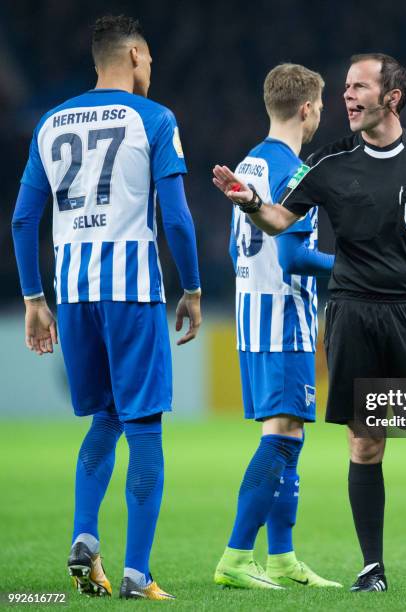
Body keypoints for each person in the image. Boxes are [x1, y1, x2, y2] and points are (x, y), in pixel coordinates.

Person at [212, 53, 406, 594]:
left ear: (391, 97)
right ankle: (371, 569)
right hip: (353, 314)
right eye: (346, 88)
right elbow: (281, 219)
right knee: (365, 442)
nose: (348, 97)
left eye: (359, 87)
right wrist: (252, 202)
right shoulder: (329, 162)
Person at [12, 15, 201, 601]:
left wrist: (33, 299)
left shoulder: (51, 121)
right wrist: (191, 288)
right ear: (138, 55)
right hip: (131, 291)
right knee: (144, 429)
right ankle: (137, 575)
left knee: (105, 419)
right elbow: (174, 216)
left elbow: (23, 219)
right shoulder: (154, 118)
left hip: (71, 293)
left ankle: (84, 538)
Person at [214, 63, 341, 590]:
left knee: (289, 434)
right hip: (285, 318)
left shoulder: (249, 164)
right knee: (283, 437)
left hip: (252, 316)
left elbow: (232, 247)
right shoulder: (295, 172)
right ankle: (236, 558)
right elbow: (294, 258)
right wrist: (359, 266)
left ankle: (283, 557)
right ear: (309, 108)